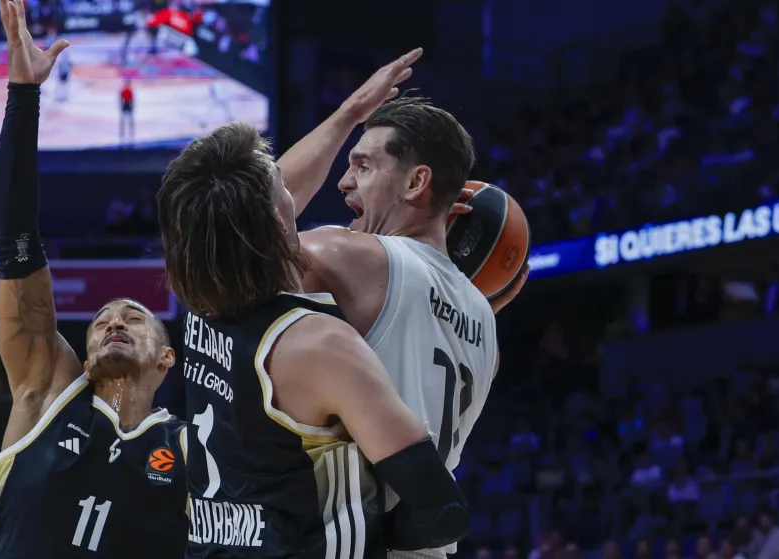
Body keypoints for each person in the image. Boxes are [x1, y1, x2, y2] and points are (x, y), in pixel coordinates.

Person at [157, 122, 470, 558]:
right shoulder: (318, 345)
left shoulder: (200, 317)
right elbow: (443, 514)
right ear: (276, 222)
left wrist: (349, 113)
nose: (291, 188)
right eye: (281, 185)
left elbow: (231, 216)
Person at [275, 49, 528, 559]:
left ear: (417, 183)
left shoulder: (350, 257)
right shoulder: (485, 327)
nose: (344, 182)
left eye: (362, 165)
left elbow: (241, 215)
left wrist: (348, 114)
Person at [0, 2, 187, 557]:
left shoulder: (193, 446)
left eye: (134, 316)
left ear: (167, 358)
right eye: (100, 320)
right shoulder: (46, 389)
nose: (113, 321)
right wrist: (23, 95)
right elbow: (15, 238)